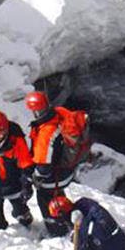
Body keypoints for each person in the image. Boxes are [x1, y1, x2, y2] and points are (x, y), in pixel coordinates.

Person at [25, 91, 81, 237]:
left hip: (53, 178)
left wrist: (33, 178)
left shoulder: (47, 132)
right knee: (58, 199)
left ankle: (57, 231)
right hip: (63, 172)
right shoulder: (57, 115)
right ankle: (68, 220)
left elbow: (44, 168)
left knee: (47, 203)